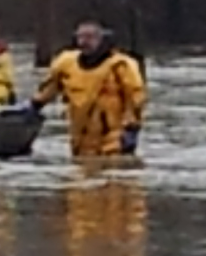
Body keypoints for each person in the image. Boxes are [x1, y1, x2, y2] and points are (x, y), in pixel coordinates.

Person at [30, 18, 146, 158]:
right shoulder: (66, 63)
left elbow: (135, 98)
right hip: (81, 138)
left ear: (101, 39)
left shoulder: (120, 65)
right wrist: (34, 105)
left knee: (112, 168)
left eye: (90, 37)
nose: (84, 42)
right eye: (81, 37)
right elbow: (50, 88)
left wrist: (131, 128)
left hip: (113, 137)